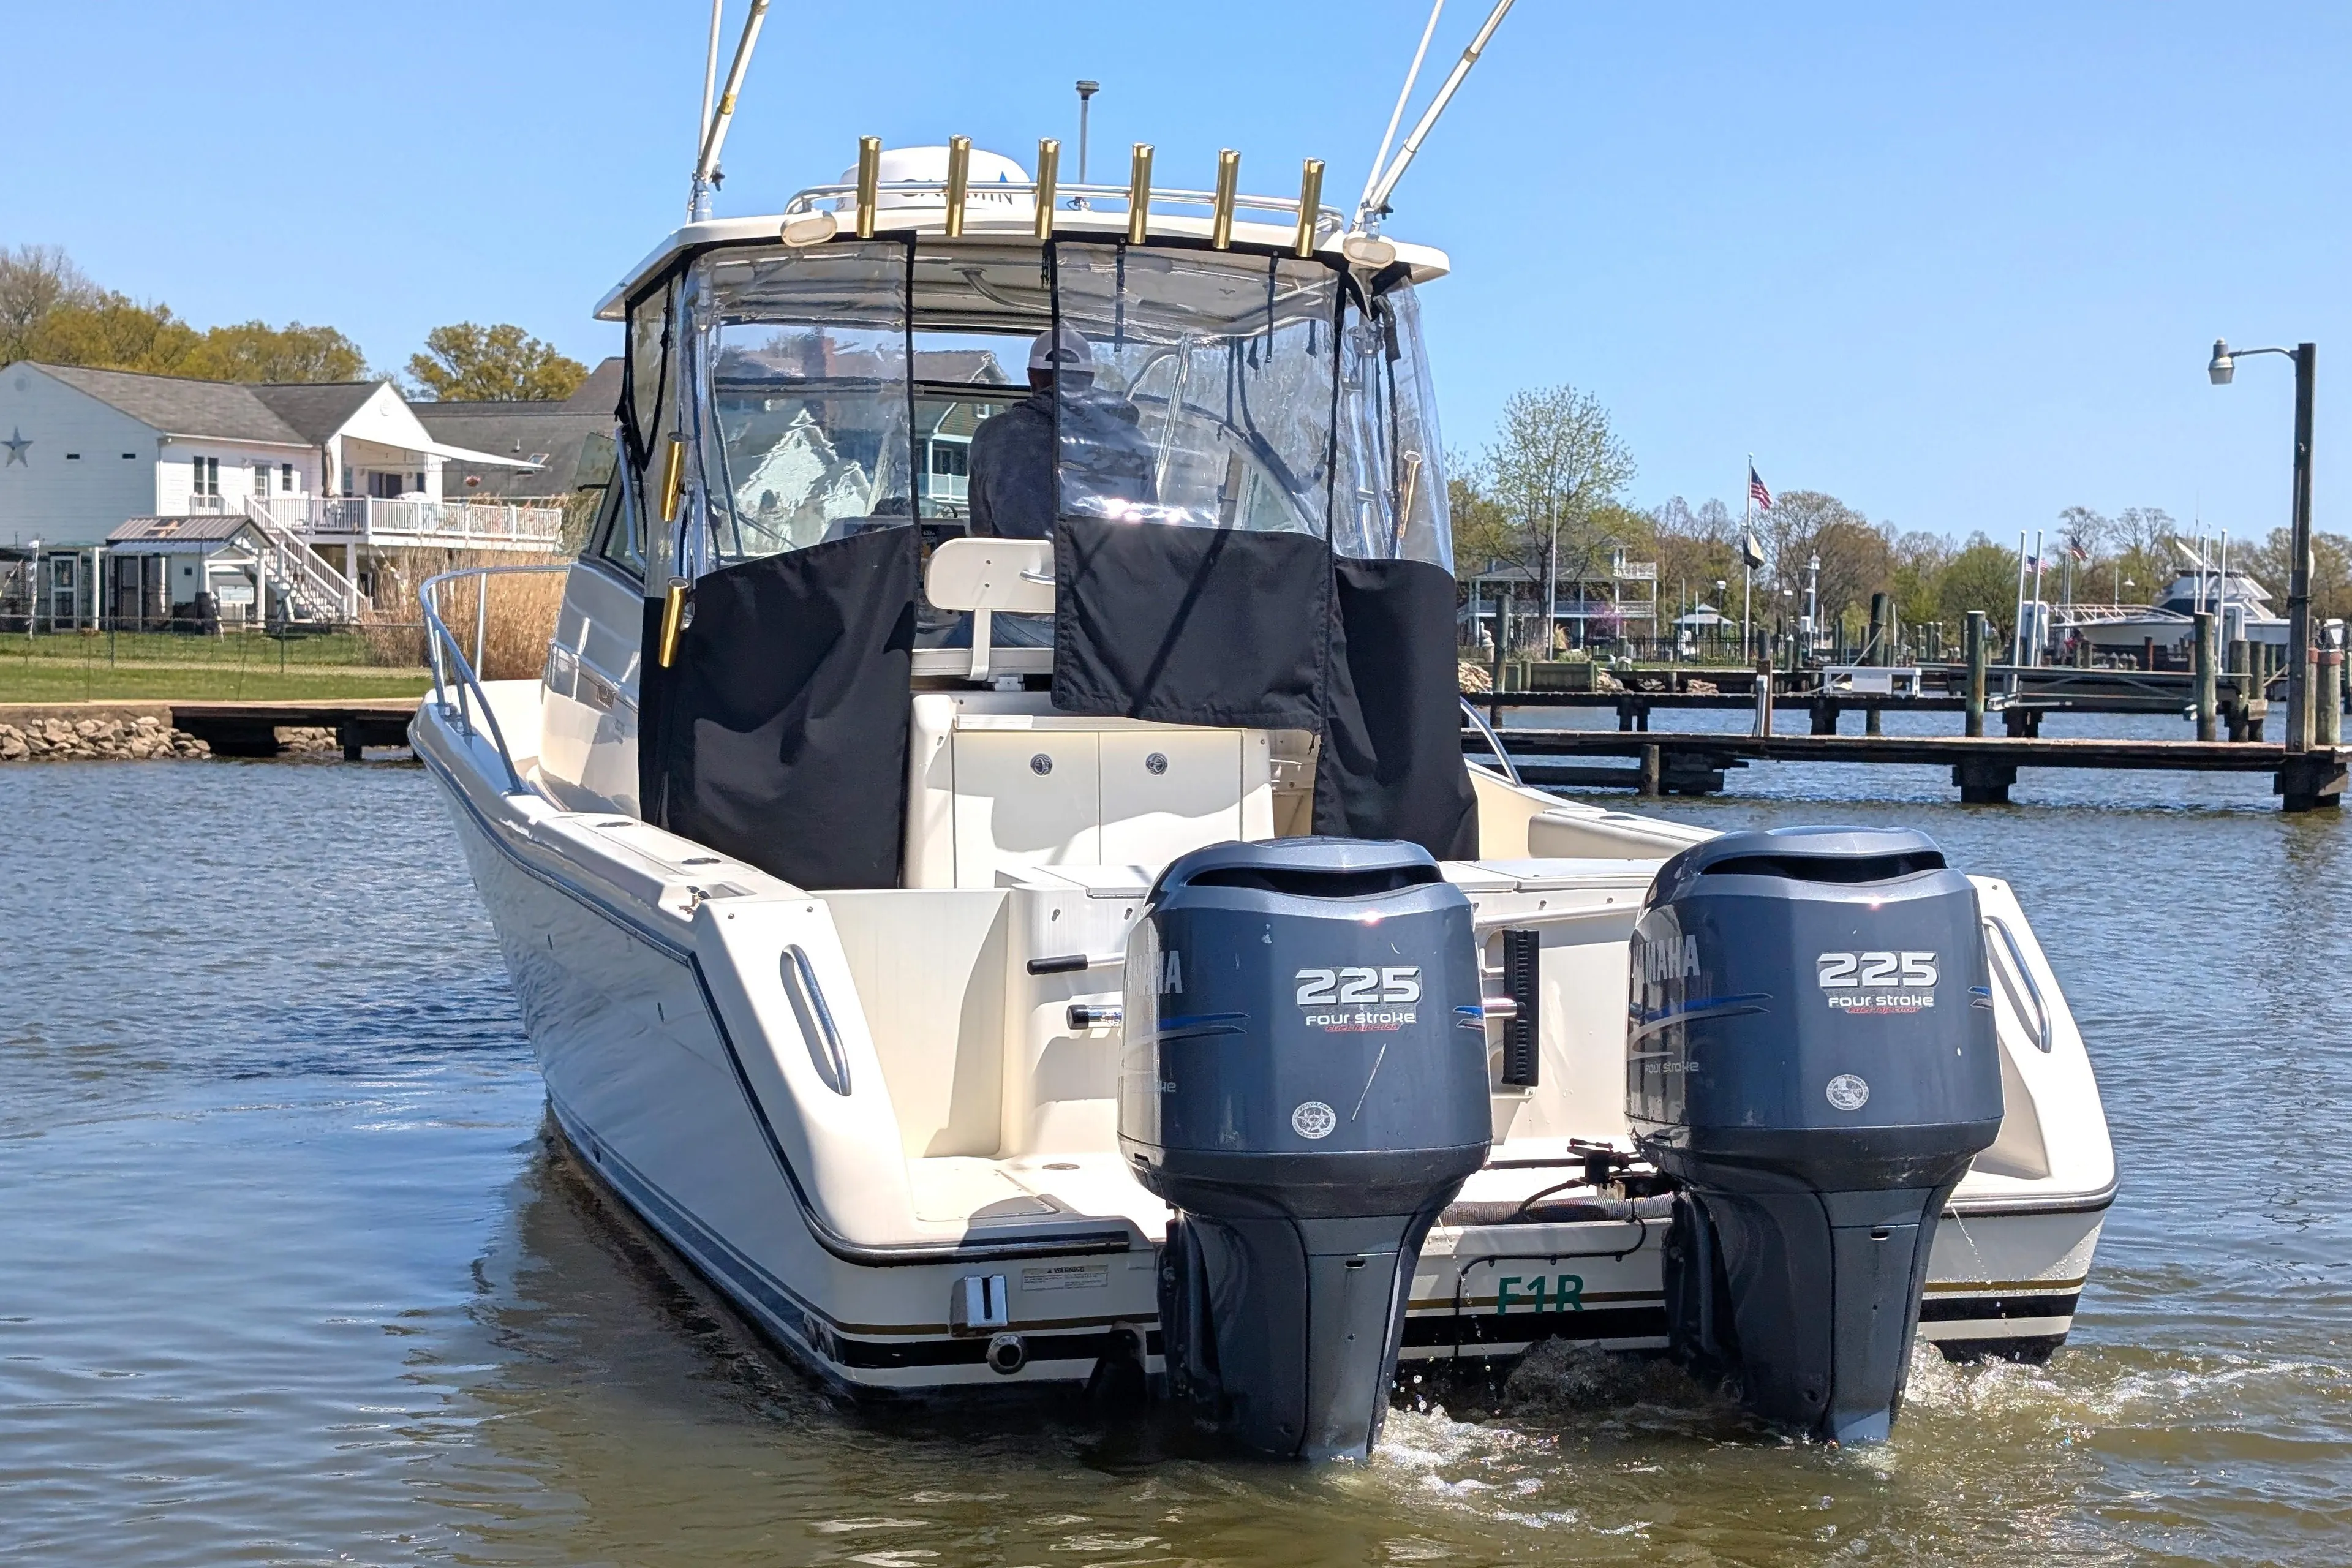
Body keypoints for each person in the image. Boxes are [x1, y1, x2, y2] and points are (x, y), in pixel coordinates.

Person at [967, 325, 1155, 540]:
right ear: (1090, 378)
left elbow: (982, 531)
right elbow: (1147, 528)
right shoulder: (1134, 440)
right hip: (1109, 571)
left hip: (1020, 572)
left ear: (1032, 377)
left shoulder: (993, 434)